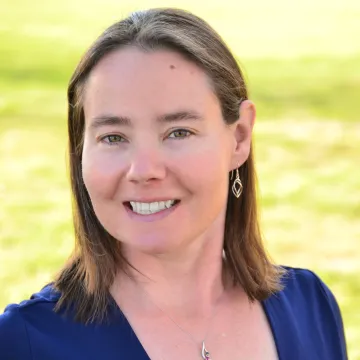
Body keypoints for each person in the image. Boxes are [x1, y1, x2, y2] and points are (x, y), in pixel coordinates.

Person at [0, 8, 347, 360]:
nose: (143, 170)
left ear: (239, 137)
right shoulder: (23, 343)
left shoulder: (310, 307)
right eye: (113, 137)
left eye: (178, 132)